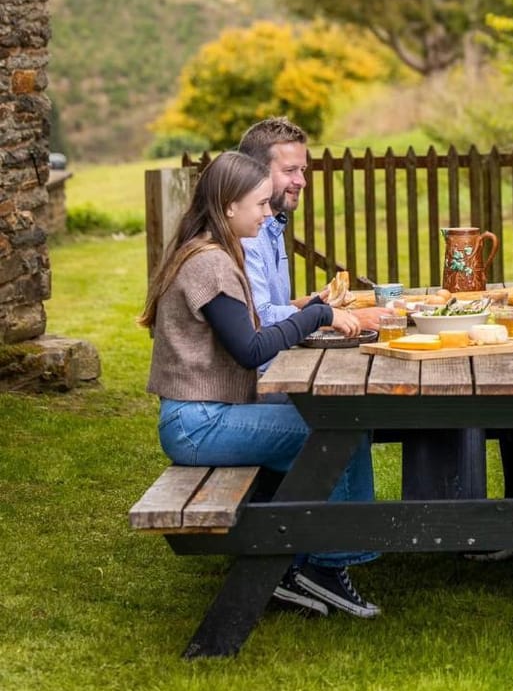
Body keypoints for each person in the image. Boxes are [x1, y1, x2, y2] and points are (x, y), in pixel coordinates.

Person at [140, 149, 380, 619]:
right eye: (261, 205)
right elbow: (250, 349)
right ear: (230, 206)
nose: (268, 214)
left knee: (325, 424)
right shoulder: (210, 264)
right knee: (338, 433)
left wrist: (311, 311)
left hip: (203, 416)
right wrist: (317, 314)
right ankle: (326, 566)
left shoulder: (208, 251)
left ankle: (293, 558)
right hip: (199, 424)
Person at [237, 116, 384, 334]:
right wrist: (341, 317)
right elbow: (261, 317)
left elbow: (277, 308)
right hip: (267, 367)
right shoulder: (248, 236)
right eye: (290, 171)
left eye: (302, 170)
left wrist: (314, 303)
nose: (302, 181)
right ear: (256, 172)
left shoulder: (272, 227)